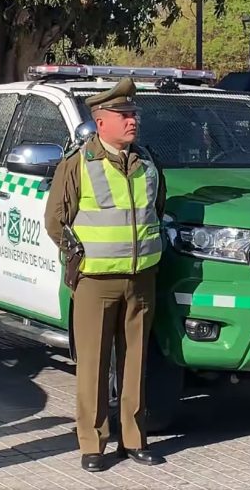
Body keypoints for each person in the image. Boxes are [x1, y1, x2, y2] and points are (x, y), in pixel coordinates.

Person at [45, 78, 167, 472]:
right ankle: (93, 443)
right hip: (96, 281)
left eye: (134, 114)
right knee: (94, 366)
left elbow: (156, 212)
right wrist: (76, 255)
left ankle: (134, 438)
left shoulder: (148, 163)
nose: (133, 121)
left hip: (140, 279)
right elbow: (55, 221)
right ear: (102, 122)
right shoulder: (77, 163)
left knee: (135, 363)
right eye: (125, 115)